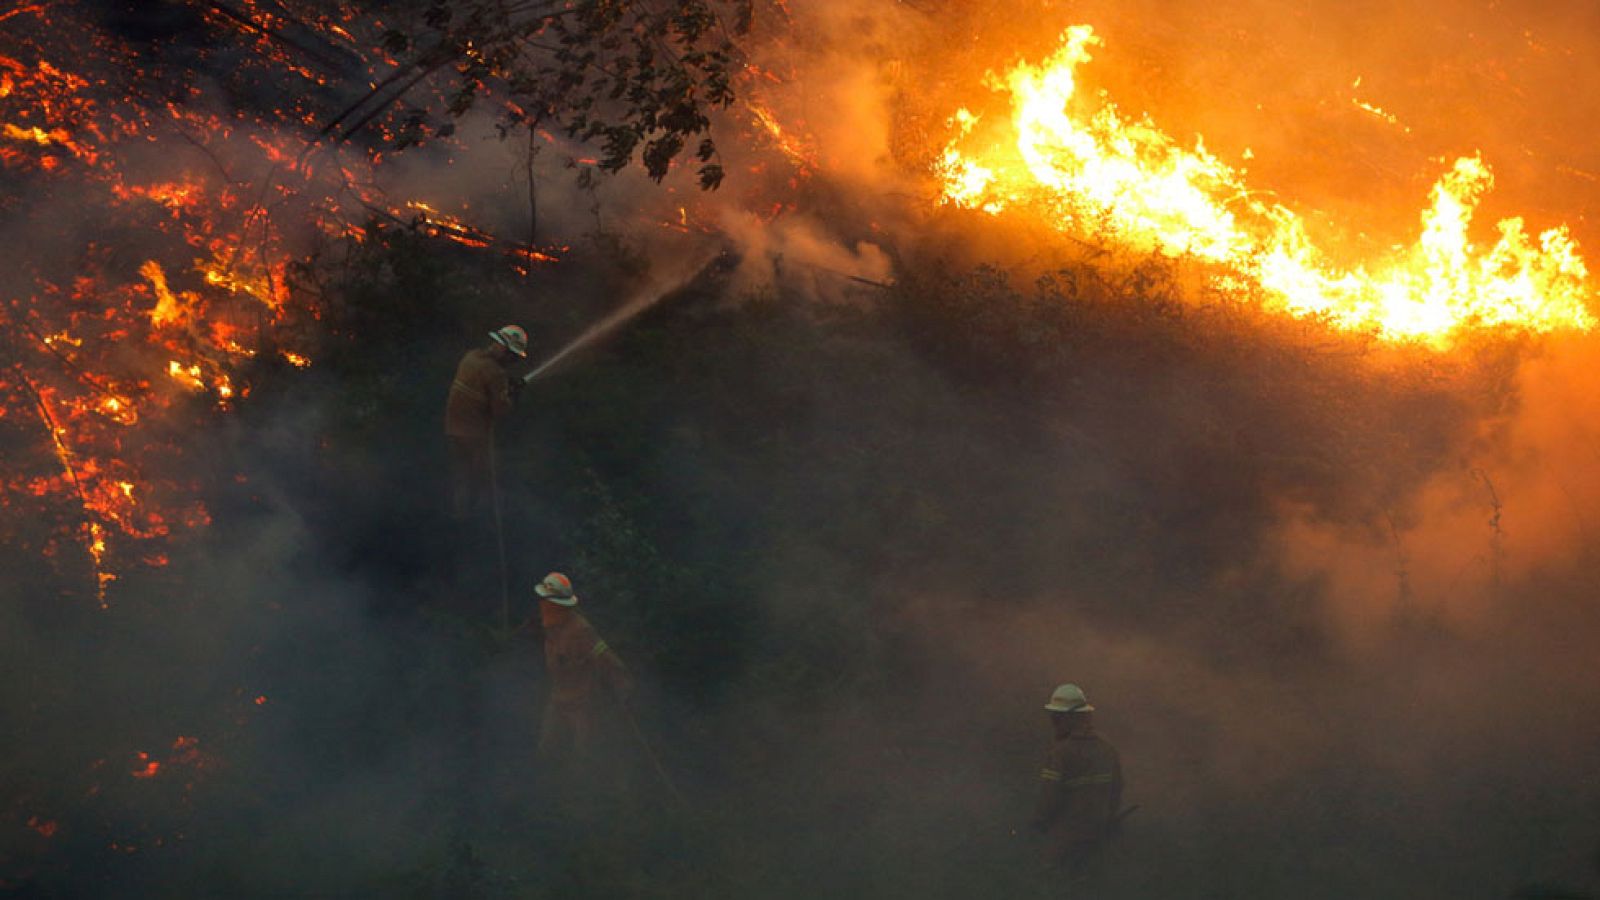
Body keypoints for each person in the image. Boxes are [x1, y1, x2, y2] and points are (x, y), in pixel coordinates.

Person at [533, 572, 633, 782]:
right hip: (558, 699)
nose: (542, 605)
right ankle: (543, 791)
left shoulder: (581, 630)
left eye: (547, 601)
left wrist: (622, 682)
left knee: (582, 757)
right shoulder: (549, 628)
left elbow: (605, 656)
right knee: (545, 748)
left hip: (583, 703)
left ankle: (583, 800)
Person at [1031, 683, 1124, 879]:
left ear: (1071, 718)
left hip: (1065, 845)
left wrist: (1038, 823)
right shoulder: (1107, 748)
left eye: (1057, 717)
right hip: (1098, 842)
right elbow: (1117, 790)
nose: (1053, 722)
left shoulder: (1060, 753)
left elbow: (1048, 797)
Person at [444, 324, 527, 519]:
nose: (512, 360)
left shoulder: (470, 356)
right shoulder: (496, 373)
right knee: (486, 479)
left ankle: (459, 520)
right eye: (512, 355)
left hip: (452, 429)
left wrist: (505, 388)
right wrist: (512, 396)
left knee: (462, 478)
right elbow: (500, 410)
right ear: (503, 349)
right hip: (475, 434)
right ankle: (484, 524)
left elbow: (481, 388)